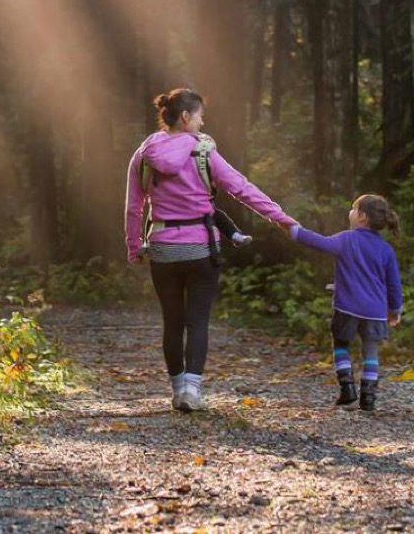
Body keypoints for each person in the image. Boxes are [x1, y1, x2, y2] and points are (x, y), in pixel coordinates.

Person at [125, 88, 298, 412]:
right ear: (187, 116)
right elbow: (241, 188)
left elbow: (134, 206)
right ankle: (192, 390)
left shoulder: (145, 152)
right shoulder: (203, 151)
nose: (203, 122)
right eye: (200, 115)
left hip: (163, 248)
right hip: (201, 248)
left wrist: (135, 246)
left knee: (172, 322)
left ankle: (177, 392)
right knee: (198, 321)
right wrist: (281, 218)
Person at [289, 194, 403, 411]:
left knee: (340, 344)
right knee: (371, 351)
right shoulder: (386, 250)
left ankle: (347, 387)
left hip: (347, 308)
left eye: (353, 208)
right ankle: (368, 397)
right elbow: (393, 285)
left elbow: (319, 242)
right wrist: (395, 310)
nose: (349, 212)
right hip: (375, 312)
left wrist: (295, 230)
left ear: (361, 217)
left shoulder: (347, 239)